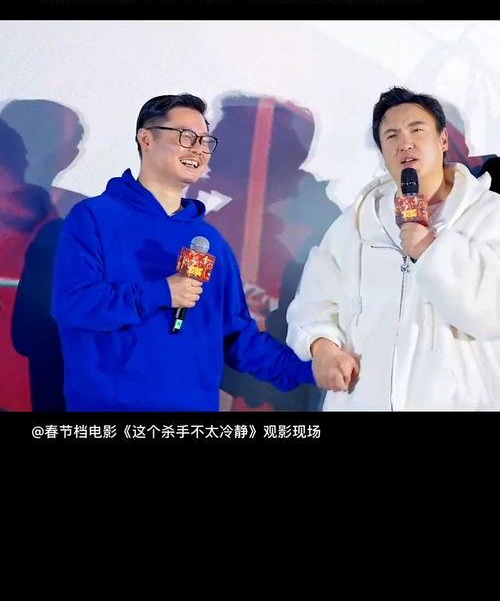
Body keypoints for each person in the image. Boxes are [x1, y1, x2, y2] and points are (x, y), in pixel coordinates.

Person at [51, 94, 316, 412]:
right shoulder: (95, 218)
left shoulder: (209, 241)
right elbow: (73, 305)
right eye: (187, 137)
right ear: (146, 138)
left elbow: (239, 339)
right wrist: (161, 292)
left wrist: (311, 370)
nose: (199, 150)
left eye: (205, 141)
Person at [286, 87, 500, 412]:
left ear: (443, 140)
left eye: (417, 130)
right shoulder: (357, 224)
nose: (405, 143)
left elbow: (491, 312)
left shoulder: (489, 215)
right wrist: (322, 347)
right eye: (392, 136)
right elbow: (314, 302)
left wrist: (429, 249)